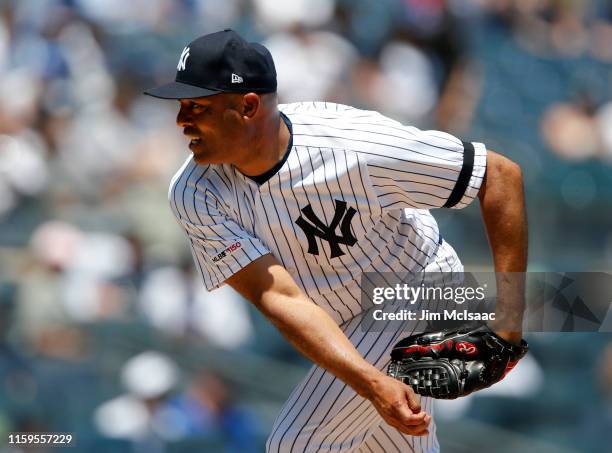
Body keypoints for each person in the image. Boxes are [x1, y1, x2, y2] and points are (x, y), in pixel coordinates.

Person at [145, 29, 527, 453]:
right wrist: (370, 380)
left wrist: (507, 327)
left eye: (197, 106)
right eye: (181, 106)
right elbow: (278, 296)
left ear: (248, 106)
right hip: (345, 323)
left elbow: (499, 177)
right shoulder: (195, 192)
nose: (181, 121)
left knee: (295, 445)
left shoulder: (353, 145)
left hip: (417, 287)